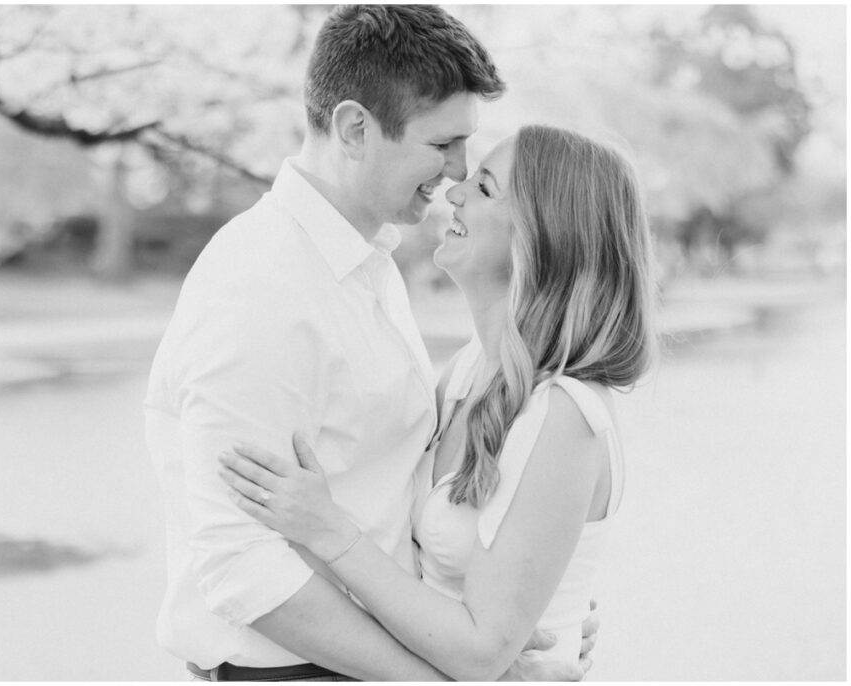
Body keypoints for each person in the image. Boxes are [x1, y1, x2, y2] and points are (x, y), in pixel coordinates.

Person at [145, 6, 595, 681]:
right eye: (442, 145)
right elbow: (240, 566)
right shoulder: (258, 287)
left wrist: (517, 616)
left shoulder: (367, 264)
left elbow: (388, 486)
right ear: (356, 128)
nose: (456, 172)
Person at [219, 125, 658, 680]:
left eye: (486, 188)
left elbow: (480, 652)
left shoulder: (564, 414)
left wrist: (327, 529)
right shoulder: (468, 371)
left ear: (544, 236)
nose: (454, 191)